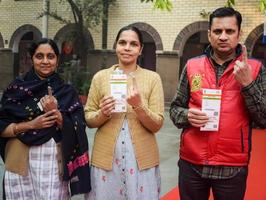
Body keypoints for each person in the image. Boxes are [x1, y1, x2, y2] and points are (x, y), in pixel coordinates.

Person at [169, 7, 266, 200]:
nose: (223, 36)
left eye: (229, 31)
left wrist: (247, 84)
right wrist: (186, 115)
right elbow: (174, 109)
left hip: (232, 166)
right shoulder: (192, 65)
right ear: (209, 34)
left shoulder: (254, 69)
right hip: (192, 162)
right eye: (217, 31)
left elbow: (263, 118)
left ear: (239, 33)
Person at [0, 38, 91, 199]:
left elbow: (79, 125)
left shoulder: (66, 91)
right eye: (39, 56)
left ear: (57, 59)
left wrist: (58, 115)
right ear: (32, 58)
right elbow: (1, 126)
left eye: (50, 56)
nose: (45, 61)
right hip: (19, 160)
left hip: (53, 163)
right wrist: (30, 125)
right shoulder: (15, 89)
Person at [84, 26, 164, 200]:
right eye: (122, 42)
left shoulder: (152, 78)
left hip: (141, 158)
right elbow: (89, 118)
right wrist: (103, 113)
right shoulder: (101, 77)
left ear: (140, 49)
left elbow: (157, 124)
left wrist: (138, 106)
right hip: (107, 157)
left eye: (133, 44)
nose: (127, 48)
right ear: (116, 46)